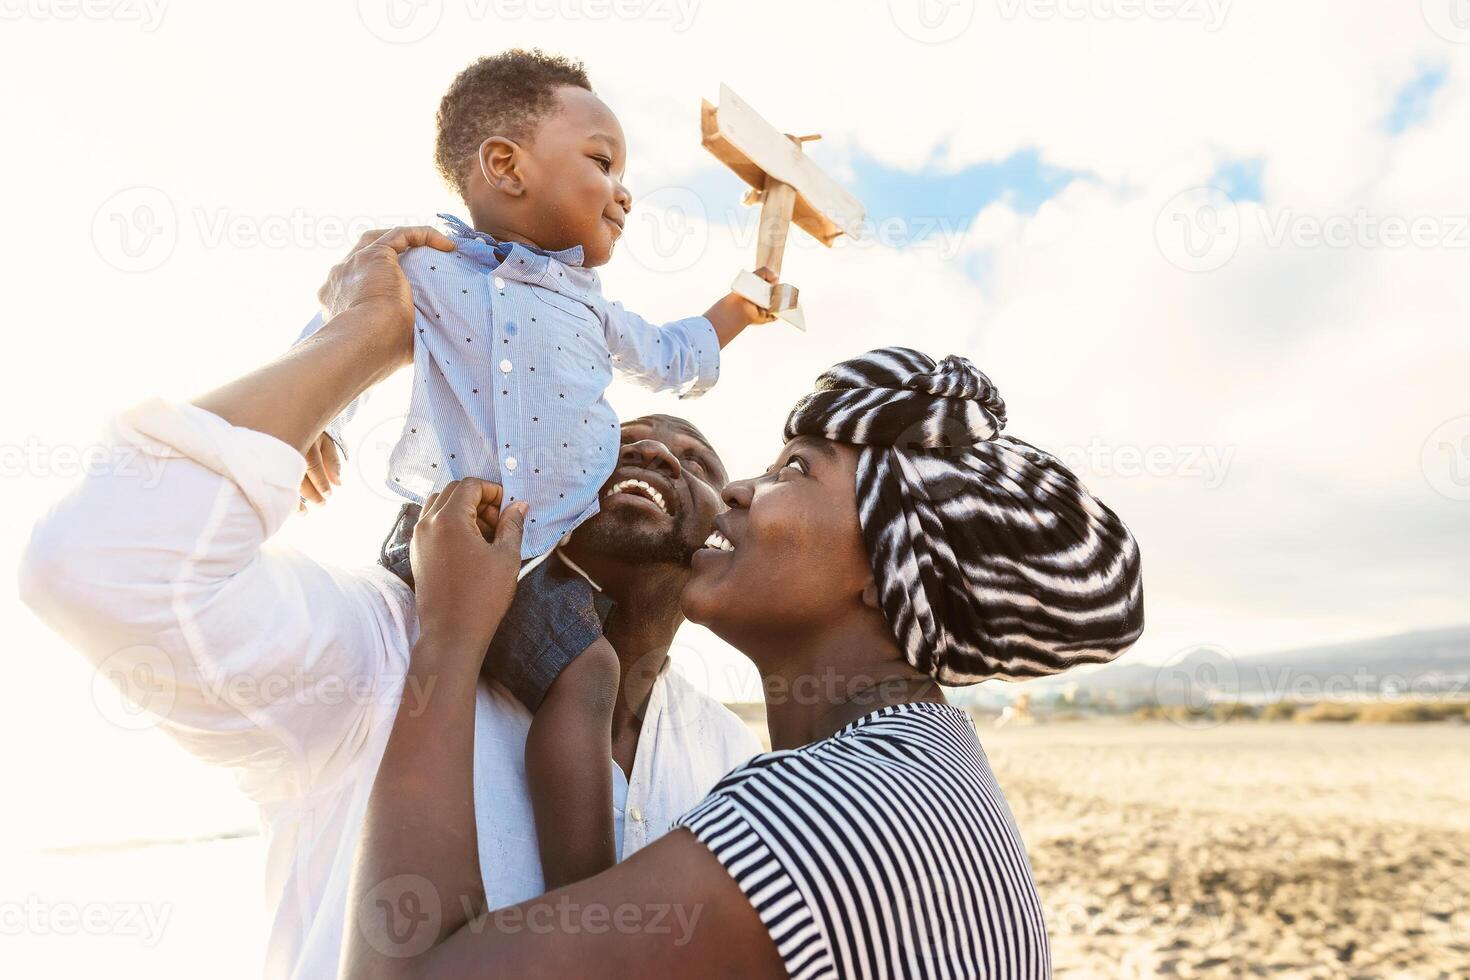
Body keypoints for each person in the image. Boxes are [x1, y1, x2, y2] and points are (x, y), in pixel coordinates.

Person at [17, 227, 761, 980]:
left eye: (697, 461)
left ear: (723, 527)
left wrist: (740, 304)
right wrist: (361, 339)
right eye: (617, 438)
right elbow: (96, 563)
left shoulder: (732, 759)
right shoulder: (376, 643)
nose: (657, 452)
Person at [342, 347, 1146, 977]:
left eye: (796, 470)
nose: (737, 492)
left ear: (888, 566)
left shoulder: (833, 817)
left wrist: (450, 640)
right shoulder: (922, 772)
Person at [293, 48, 771, 891]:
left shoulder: (587, 304)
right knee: (587, 674)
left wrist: (735, 309)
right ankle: (587, 898)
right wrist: (312, 423)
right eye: (602, 161)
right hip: (457, 533)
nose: (624, 190)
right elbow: (349, 325)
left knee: (590, 665)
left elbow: (669, 355)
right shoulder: (429, 266)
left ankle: (572, 881)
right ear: (506, 167)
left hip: (539, 549)